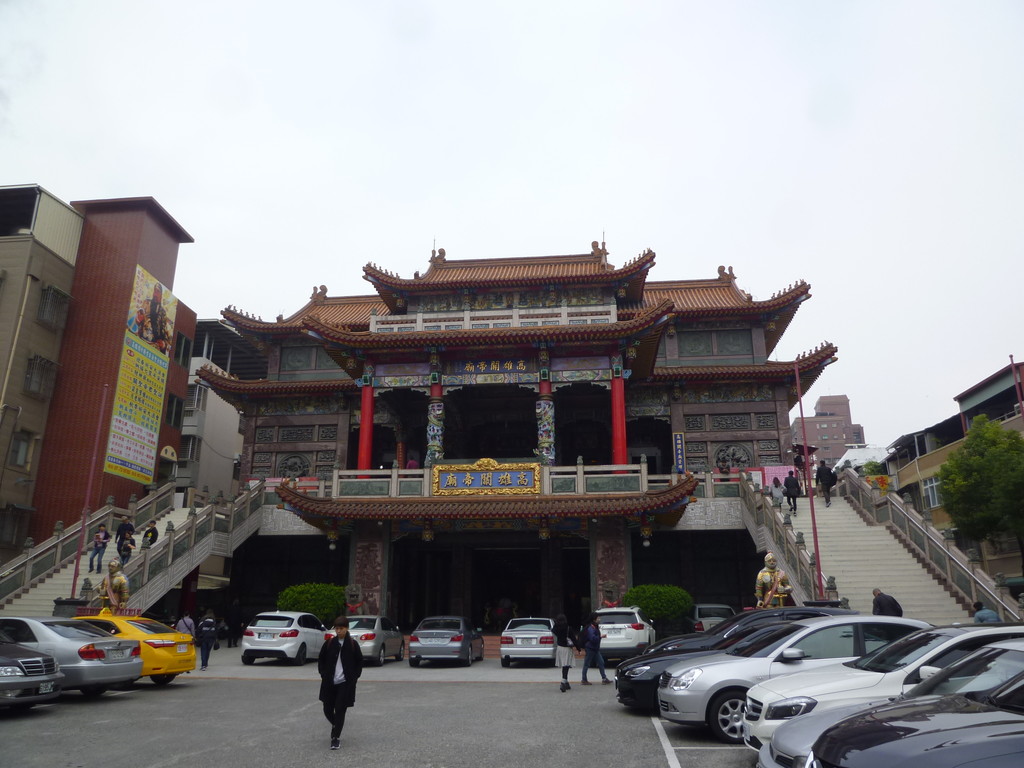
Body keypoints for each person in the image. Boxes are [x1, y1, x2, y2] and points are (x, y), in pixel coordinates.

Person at [318, 615, 363, 750]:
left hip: (345, 683)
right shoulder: (329, 643)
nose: (338, 631)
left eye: (341, 628)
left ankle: (335, 737)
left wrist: (354, 677)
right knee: (327, 708)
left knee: (340, 709)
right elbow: (321, 659)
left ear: (347, 628)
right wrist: (323, 673)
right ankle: (336, 724)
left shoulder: (353, 645)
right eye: (336, 628)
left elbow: (359, 662)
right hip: (329, 682)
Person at [552, 613, 582, 692]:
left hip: (560, 648)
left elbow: (553, 630)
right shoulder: (568, 628)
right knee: (566, 665)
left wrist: (555, 623)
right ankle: (563, 682)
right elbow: (574, 640)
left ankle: (566, 682)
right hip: (567, 648)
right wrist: (578, 649)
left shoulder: (556, 629)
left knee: (564, 665)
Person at [579, 612, 611, 685]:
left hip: (595, 648)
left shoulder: (595, 626)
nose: (599, 619)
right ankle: (584, 679)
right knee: (587, 664)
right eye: (598, 618)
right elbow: (592, 638)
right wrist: (600, 637)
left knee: (601, 662)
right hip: (590, 648)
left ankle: (604, 678)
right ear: (594, 619)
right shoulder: (591, 627)